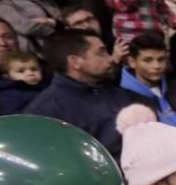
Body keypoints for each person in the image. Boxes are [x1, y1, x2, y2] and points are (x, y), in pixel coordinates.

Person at [24, 29, 154, 157]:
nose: (110, 59)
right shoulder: (44, 112)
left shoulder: (116, 92)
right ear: (75, 62)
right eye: (101, 53)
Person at [0, 50, 46, 115]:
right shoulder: (8, 94)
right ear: (8, 76)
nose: (30, 73)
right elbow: (12, 117)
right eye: (21, 71)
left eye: (34, 69)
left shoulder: (47, 84)